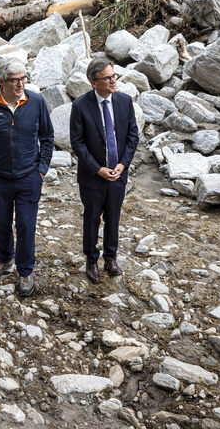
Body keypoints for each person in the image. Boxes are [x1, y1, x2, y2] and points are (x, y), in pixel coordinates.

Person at [0, 59, 54, 297]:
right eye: (15, 80)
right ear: (2, 81)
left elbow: (47, 137)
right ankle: (4, 259)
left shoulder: (36, 101)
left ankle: (25, 270)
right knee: (2, 222)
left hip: (29, 177)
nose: (20, 84)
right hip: (0, 178)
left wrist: (42, 168)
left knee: (26, 225)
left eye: (23, 78)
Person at [69, 58, 139, 284]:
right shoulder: (80, 105)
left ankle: (111, 258)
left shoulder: (124, 101)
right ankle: (91, 259)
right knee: (91, 218)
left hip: (118, 173)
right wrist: (98, 169)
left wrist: (122, 164)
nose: (113, 81)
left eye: (114, 76)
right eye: (107, 78)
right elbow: (77, 143)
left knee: (113, 217)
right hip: (93, 175)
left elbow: (132, 136)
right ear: (93, 82)